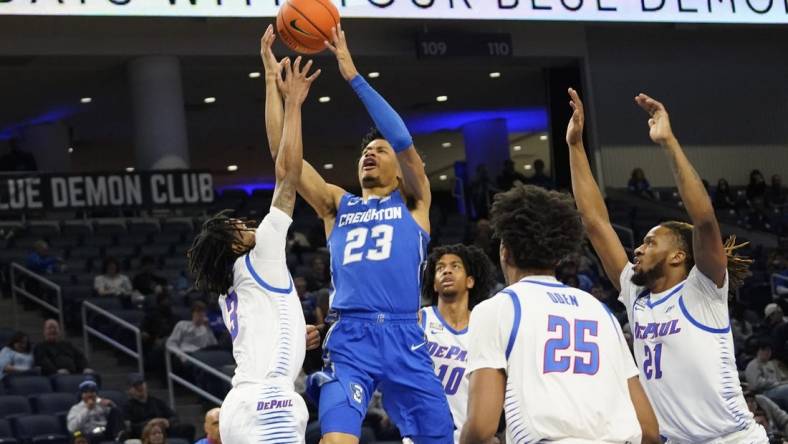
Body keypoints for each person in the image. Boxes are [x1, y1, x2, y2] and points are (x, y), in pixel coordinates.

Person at [263, 23, 453, 443]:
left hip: (405, 335)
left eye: (378, 151)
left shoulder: (414, 202)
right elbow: (284, 158)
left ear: (400, 173)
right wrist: (279, 94)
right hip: (351, 336)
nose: (370, 153)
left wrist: (351, 75)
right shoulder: (336, 204)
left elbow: (402, 140)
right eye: (366, 151)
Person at [566, 87, 767, 442]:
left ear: (678, 255)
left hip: (732, 438)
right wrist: (575, 146)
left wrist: (668, 142)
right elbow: (595, 223)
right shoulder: (636, 292)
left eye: (649, 242)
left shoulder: (703, 288)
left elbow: (703, 219)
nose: (638, 250)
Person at [188, 34, 321, 444]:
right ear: (233, 245)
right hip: (269, 401)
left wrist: (269, 79)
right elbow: (287, 173)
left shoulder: (233, 280)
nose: (249, 224)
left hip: (246, 402)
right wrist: (293, 103)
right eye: (240, 226)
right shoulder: (258, 255)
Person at [459, 184, 659, 444]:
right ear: (558, 257)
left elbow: (479, 428)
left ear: (504, 251)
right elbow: (650, 430)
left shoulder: (496, 308)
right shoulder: (600, 311)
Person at [419, 244, 495, 444]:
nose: (447, 270)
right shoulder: (420, 320)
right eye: (440, 268)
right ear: (434, 284)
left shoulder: (484, 327)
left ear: (470, 281)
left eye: (455, 266)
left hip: (468, 436)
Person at [125, 373, 195, 440]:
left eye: (141, 384)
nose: (140, 388)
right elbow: (130, 427)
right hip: (144, 434)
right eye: (136, 386)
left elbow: (174, 416)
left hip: (163, 431)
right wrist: (150, 423)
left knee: (188, 429)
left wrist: (167, 421)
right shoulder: (127, 406)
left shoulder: (156, 402)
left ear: (146, 385)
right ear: (129, 390)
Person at [745, 341, 788, 411]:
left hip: (777, 389)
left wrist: (782, 382)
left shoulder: (772, 364)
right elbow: (755, 384)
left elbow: (781, 378)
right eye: (764, 350)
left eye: (769, 350)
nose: (767, 352)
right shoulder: (753, 365)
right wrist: (774, 383)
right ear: (758, 351)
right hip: (763, 393)